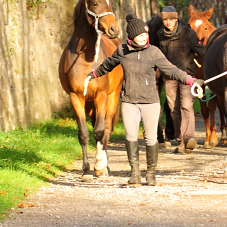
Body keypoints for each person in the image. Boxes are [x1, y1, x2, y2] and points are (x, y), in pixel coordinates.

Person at [87, 14, 203, 186]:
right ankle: (135, 173)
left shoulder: (153, 52)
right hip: (129, 101)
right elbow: (108, 64)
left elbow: (171, 70)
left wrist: (190, 80)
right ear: (132, 36)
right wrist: (92, 75)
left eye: (145, 35)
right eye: (141, 35)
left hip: (150, 101)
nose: (144, 37)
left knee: (150, 139)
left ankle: (151, 174)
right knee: (131, 137)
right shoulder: (122, 51)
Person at [157, 6, 206, 154]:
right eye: (165, 20)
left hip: (187, 76)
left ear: (176, 19)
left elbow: (202, 51)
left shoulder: (188, 33)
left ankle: (188, 138)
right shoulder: (160, 35)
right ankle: (181, 140)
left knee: (186, 105)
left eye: (171, 19)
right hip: (169, 77)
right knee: (173, 108)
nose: (168, 22)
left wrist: (215, 63)